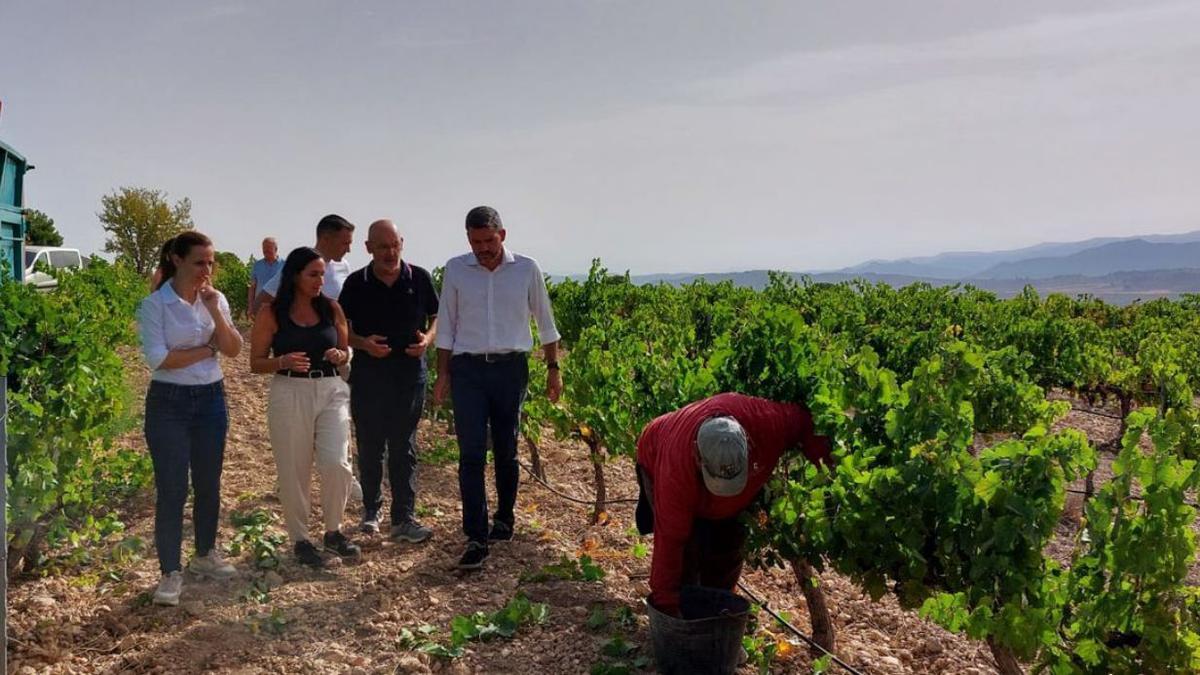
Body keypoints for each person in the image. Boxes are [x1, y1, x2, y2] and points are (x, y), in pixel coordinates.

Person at [433, 205, 562, 570]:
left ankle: (504, 518)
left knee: (506, 449)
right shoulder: (457, 269)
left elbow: (546, 322)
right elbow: (446, 326)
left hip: (510, 369)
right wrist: (443, 374)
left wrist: (554, 369)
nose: (483, 249)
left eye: (488, 241)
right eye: (476, 242)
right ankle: (475, 536)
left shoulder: (526, 269)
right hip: (468, 371)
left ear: (502, 235)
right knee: (471, 453)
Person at [634, 392, 833, 617]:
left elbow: (807, 423)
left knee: (727, 550)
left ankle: (717, 614)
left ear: (748, 444)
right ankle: (691, 615)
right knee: (687, 557)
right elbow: (670, 542)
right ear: (698, 456)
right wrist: (668, 610)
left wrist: (828, 477)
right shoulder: (676, 469)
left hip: (718, 493)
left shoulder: (770, 421)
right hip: (655, 451)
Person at [137, 231, 243, 606]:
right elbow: (159, 359)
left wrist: (215, 311)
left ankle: (205, 555)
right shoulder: (155, 305)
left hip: (211, 399)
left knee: (209, 482)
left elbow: (233, 349)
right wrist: (207, 348)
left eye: (210, 262)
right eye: (200, 262)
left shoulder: (216, 301)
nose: (206, 270)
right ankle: (170, 571)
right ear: (178, 260)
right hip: (169, 402)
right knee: (172, 489)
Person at [249, 246, 360, 567]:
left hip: (331, 390)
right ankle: (301, 540)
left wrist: (343, 356)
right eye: (313, 274)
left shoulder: (332, 309)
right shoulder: (272, 314)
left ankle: (334, 531)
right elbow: (255, 363)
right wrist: (281, 360)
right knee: (294, 469)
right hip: (289, 391)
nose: (319, 281)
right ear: (295, 276)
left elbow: (345, 349)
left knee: (337, 463)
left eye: (322, 274)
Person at [338, 220, 439, 541]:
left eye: (394, 244)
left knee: (403, 445)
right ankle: (371, 510)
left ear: (402, 243)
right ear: (368, 248)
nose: (390, 252)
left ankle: (403, 518)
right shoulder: (356, 284)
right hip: (368, 375)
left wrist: (427, 340)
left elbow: (438, 317)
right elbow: (341, 329)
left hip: (410, 375)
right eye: (382, 246)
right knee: (369, 445)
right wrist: (364, 343)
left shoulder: (420, 278)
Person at [248, 237, 283, 318]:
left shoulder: (284, 265)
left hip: (278, 308)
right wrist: (251, 306)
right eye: (264, 249)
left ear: (276, 249)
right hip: (260, 308)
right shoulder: (257, 265)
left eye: (268, 249)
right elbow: (252, 287)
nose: (265, 251)